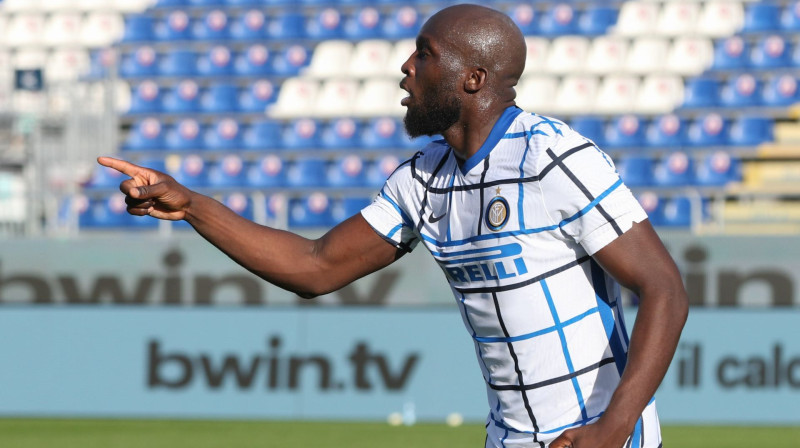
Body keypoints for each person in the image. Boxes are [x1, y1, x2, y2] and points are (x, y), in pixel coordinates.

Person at [98, 4, 688, 447]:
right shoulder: (422, 179)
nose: (406, 68)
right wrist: (193, 205)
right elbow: (314, 267)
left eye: (424, 53)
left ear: (473, 78)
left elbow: (665, 288)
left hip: (599, 438)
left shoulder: (551, 157)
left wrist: (618, 423)